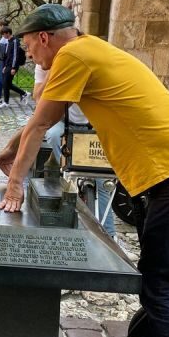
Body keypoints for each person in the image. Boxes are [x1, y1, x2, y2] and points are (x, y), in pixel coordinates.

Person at [0, 3, 169, 337]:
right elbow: (39, 121)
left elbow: (41, 126)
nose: (27, 53)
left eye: (28, 45)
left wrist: (14, 188)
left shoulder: (71, 56)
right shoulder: (90, 47)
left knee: (159, 283)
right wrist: (10, 148)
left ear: (44, 37)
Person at [33, 63, 115, 237]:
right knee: (54, 135)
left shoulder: (85, 64)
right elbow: (38, 97)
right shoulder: (44, 66)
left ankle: (109, 235)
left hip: (94, 123)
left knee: (103, 181)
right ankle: (59, 177)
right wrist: (52, 73)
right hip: (64, 121)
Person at [0, 27, 29, 107]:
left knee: (5, 83)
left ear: (8, 33)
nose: (3, 36)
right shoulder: (9, 41)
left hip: (12, 65)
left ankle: (6, 102)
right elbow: (8, 55)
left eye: (3, 34)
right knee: (7, 84)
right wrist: (5, 66)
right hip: (8, 65)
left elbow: (15, 55)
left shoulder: (15, 41)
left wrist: (14, 68)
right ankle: (23, 93)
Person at [0, 19, 9, 100]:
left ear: (2, 26)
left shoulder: (6, 38)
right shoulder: (3, 37)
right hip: (0, 61)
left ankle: (23, 93)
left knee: (2, 80)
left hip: (3, 61)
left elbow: (6, 52)